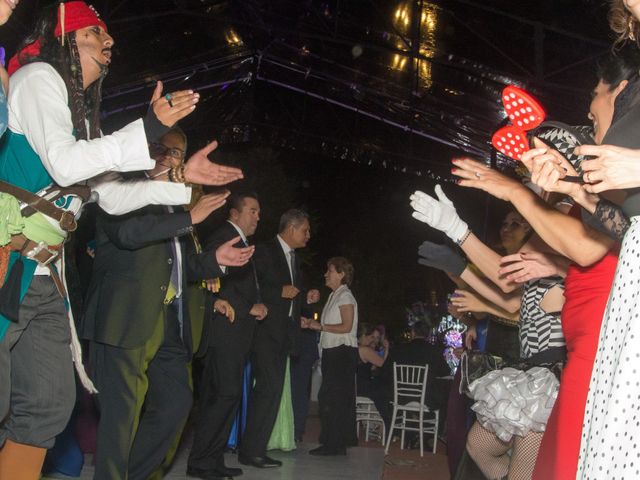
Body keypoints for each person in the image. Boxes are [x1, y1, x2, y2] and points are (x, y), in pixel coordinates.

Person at [0, 3, 240, 477]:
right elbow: (67, 165)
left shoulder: (79, 116)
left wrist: (178, 177)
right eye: (95, 33)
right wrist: (148, 129)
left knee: (49, 404)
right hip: (8, 259)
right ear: (67, 37)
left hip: (46, 275)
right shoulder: (38, 78)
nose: (108, 44)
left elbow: (109, 197)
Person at [81, 128, 251, 479]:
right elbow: (128, 235)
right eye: (163, 150)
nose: (169, 158)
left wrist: (215, 259)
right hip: (125, 318)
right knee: (121, 416)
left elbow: (181, 264)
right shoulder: (121, 190)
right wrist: (190, 218)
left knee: (176, 404)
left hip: (169, 323)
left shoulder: (175, 205)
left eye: (177, 154)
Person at [187, 192, 268, 480]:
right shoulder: (224, 236)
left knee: (224, 397)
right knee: (222, 396)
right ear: (234, 214)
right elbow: (213, 281)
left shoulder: (241, 240)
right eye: (253, 210)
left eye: (259, 212)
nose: (258, 216)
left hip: (236, 333)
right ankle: (202, 463)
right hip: (224, 331)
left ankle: (210, 459)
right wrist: (249, 307)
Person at [240, 209, 319, 465]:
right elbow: (252, 286)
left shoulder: (294, 259)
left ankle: (256, 449)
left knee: (272, 393)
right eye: (305, 230)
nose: (308, 236)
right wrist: (278, 292)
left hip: (285, 335)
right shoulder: (263, 250)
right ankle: (251, 451)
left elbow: (294, 293)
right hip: (265, 334)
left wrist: (306, 297)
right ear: (291, 228)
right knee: (266, 391)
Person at [302, 256, 358, 456]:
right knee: (329, 397)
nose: (326, 274)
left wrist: (321, 326)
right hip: (333, 352)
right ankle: (333, 442)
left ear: (341, 274)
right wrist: (311, 324)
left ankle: (334, 443)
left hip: (341, 353)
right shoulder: (335, 295)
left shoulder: (345, 297)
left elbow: (347, 326)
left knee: (333, 398)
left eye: (330, 271)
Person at [357, 323, 391, 431]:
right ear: (363, 336)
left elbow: (371, 368)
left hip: (355, 385)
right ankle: (388, 425)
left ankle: (377, 424)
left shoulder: (355, 347)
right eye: (371, 337)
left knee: (381, 389)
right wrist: (387, 349)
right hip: (362, 386)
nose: (372, 340)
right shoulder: (365, 350)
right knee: (386, 392)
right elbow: (384, 365)